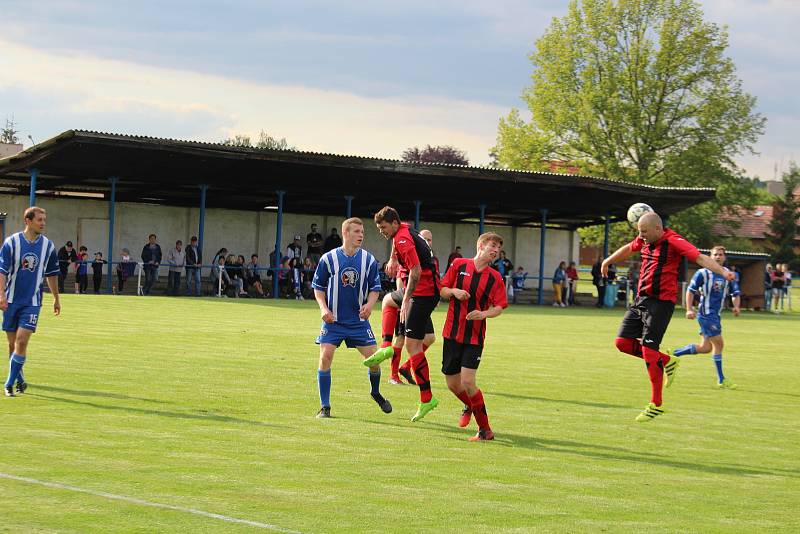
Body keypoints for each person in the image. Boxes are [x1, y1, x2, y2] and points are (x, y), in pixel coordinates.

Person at [602, 212, 735, 422]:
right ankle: (667, 361)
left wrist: (722, 272)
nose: (641, 236)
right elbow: (629, 248)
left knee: (648, 349)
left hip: (661, 304)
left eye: (644, 232)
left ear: (658, 229)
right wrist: (608, 261)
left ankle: (656, 404)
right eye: (639, 232)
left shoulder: (673, 241)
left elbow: (699, 257)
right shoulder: (644, 238)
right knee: (622, 343)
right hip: (641, 300)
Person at [312, 217, 393, 418]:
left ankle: (375, 392)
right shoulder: (328, 259)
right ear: (346, 233)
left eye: (362, 232)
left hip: (358, 322)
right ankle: (325, 407)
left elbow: (375, 288)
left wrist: (370, 304)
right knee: (325, 357)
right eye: (357, 231)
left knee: (374, 361)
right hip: (334, 321)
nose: (361, 235)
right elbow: (318, 288)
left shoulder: (369, 260)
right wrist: (323, 308)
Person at [439, 232, 508, 441]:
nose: (495, 250)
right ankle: (470, 405)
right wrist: (454, 292)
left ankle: (485, 430)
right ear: (481, 246)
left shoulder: (495, 277)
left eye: (498, 248)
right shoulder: (459, 265)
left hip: (475, 338)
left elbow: (499, 307)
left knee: (468, 381)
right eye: (492, 245)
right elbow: (442, 290)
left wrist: (483, 314)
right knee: (452, 384)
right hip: (452, 333)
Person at [373, 207, 440, 421]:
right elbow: (396, 238)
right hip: (425, 292)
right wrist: (392, 259)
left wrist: (407, 300)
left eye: (383, 227)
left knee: (413, 345)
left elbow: (416, 271)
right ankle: (386, 349)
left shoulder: (402, 240)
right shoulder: (401, 230)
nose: (381, 232)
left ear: (393, 223)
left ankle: (427, 398)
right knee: (389, 302)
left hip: (424, 292)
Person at [0, 206, 61, 397]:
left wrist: (56, 298)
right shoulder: (11, 243)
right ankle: (19, 379)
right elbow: (2, 271)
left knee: (21, 341)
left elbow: (52, 274)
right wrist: (1, 294)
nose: (43, 223)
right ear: (28, 221)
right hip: (10, 301)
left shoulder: (48, 246)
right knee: (12, 345)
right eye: (39, 220)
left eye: (44, 220)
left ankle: (9, 384)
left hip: (32, 302)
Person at [672, 246, 740, 389]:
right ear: (710, 256)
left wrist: (736, 306)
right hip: (706, 315)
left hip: (716, 315)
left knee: (705, 348)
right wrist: (689, 309)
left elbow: (735, 293)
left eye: (721, 255)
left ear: (724, 257)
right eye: (715, 254)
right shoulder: (703, 273)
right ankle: (721, 379)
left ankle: (674, 354)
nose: (718, 257)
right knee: (719, 344)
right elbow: (690, 291)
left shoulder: (728, 274)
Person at [377, 229, 437, 386]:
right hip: (407, 302)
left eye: (430, 240)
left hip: (421, 302)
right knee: (401, 338)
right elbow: (400, 282)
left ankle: (406, 366)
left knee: (430, 337)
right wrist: (403, 302)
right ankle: (393, 375)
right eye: (425, 239)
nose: (428, 242)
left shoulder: (429, 258)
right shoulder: (407, 256)